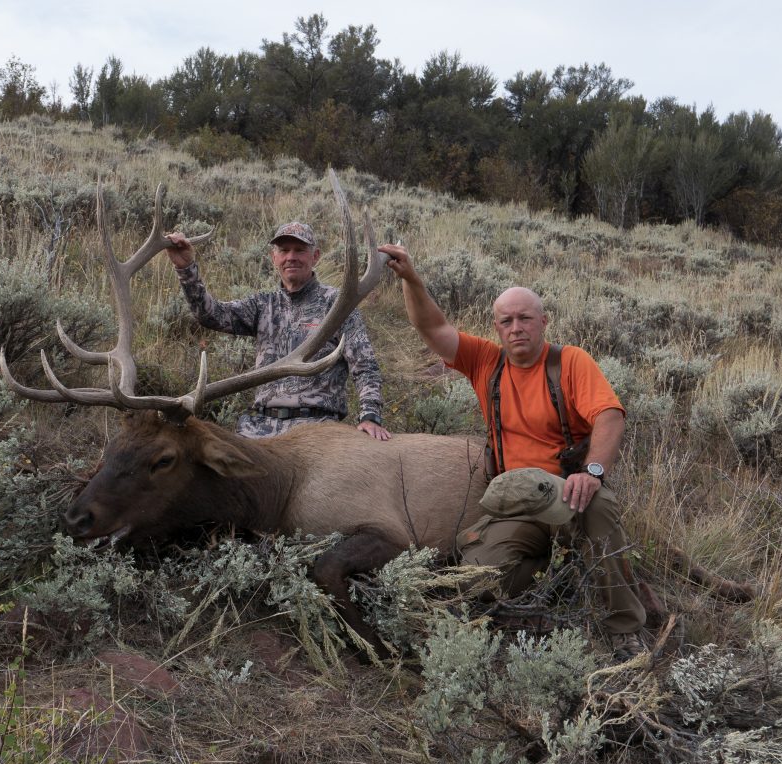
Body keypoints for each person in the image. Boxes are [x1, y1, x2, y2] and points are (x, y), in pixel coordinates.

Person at [382, 244, 646, 660]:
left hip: (568, 492)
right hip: (514, 501)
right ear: (497, 328)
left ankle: (624, 628)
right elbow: (432, 329)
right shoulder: (485, 362)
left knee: (599, 513)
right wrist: (411, 280)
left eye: (525, 318)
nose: (516, 327)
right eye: (506, 320)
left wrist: (592, 472)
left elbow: (610, 415)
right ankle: (558, 574)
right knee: (475, 579)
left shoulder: (571, 361)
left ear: (544, 321)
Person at [164, 222, 391, 440]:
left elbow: (365, 365)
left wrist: (370, 416)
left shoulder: (338, 304)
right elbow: (210, 315)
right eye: (284, 250)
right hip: (259, 428)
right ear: (274, 258)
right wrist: (185, 268)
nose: (291, 257)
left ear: (315, 257)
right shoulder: (263, 304)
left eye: (300, 250)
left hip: (316, 429)